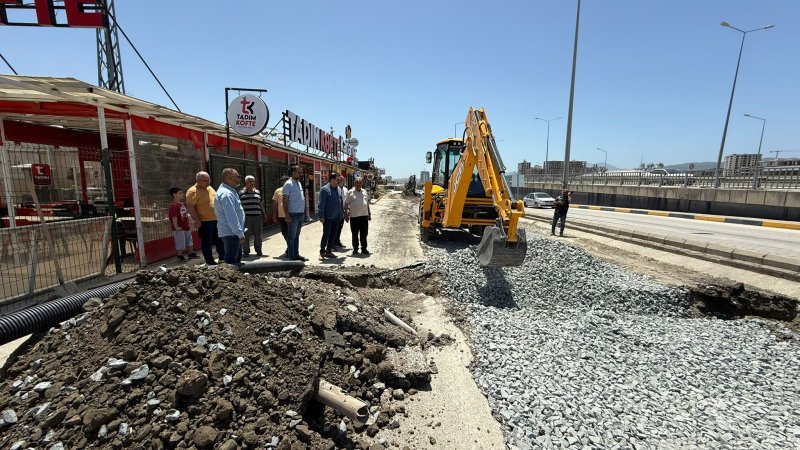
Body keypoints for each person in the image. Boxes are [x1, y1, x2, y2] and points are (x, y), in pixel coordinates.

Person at [186, 171, 223, 265]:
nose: (207, 182)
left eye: (208, 180)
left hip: (217, 220)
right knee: (207, 242)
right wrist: (197, 220)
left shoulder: (209, 188)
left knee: (220, 240)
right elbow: (190, 207)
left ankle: (222, 258)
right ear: (197, 180)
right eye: (204, 181)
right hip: (205, 222)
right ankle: (209, 261)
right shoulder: (192, 191)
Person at [214, 168, 246, 267]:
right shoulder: (226, 194)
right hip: (231, 233)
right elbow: (231, 216)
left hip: (232, 233)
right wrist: (239, 233)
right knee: (232, 263)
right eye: (238, 177)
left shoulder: (229, 191)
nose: (239, 179)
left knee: (235, 260)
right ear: (230, 178)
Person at [283, 165, 308, 261]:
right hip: (292, 214)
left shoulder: (298, 183)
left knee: (296, 236)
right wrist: (287, 214)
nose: (301, 174)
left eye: (301, 172)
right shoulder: (288, 184)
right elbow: (284, 200)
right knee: (291, 237)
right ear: (293, 172)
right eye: (299, 172)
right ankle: (291, 256)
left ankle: (296, 255)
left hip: (300, 214)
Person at [168, 187, 200, 262]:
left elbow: (184, 215)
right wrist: (176, 227)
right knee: (180, 241)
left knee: (189, 240)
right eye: (180, 193)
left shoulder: (181, 204)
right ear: (174, 194)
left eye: (182, 193)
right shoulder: (174, 205)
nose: (182, 194)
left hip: (186, 227)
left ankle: (190, 253)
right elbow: (174, 216)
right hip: (179, 228)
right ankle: (180, 255)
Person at [239, 175, 267, 257]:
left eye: (253, 181)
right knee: (246, 235)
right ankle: (246, 251)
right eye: (250, 181)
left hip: (257, 217)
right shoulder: (240, 193)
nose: (252, 183)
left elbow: (260, 204)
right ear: (246, 182)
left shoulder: (257, 192)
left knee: (258, 235)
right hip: (246, 218)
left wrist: (264, 214)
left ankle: (258, 250)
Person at [318, 172, 343, 259]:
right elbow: (321, 204)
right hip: (328, 218)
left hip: (337, 217)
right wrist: (321, 216)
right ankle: (322, 251)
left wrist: (341, 214)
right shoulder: (324, 189)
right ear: (332, 180)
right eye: (337, 180)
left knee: (333, 235)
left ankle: (328, 251)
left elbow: (340, 202)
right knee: (326, 235)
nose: (339, 181)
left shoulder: (338, 189)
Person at [344, 177, 371, 256]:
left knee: (364, 234)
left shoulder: (365, 191)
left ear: (362, 183)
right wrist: (345, 213)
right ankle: (355, 249)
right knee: (355, 234)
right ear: (354, 183)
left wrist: (369, 213)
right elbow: (346, 203)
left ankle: (364, 248)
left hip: (364, 216)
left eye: (360, 183)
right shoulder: (350, 192)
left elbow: (367, 203)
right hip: (354, 217)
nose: (358, 184)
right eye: (357, 183)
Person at [272, 175, 290, 257]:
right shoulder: (278, 191)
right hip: (282, 216)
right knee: (284, 232)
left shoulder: (292, 190)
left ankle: (290, 248)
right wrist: (274, 214)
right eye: (282, 180)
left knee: (291, 233)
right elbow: (275, 203)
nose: (283, 181)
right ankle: (289, 246)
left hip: (291, 215)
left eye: (285, 180)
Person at [334, 175, 348, 249]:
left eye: (342, 180)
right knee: (335, 227)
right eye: (339, 179)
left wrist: (347, 210)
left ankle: (337, 241)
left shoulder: (345, 189)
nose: (341, 181)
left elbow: (347, 200)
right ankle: (333, 242)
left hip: (343, 211)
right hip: (336, 211)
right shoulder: (335, 188)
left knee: (340, 227)